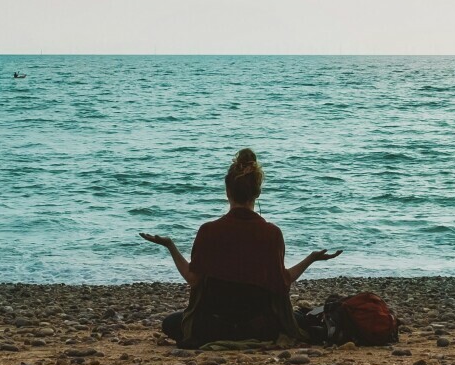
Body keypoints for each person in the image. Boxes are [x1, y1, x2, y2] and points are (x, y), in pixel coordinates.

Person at [140, 148, 341, 348]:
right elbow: (283, 282)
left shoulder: (209, 231)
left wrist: (171, 246)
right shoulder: (272, 233)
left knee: (171, 323)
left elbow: (193, 280)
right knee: (299, 318)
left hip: (214, 326)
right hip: (260, 328)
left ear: (227, 192)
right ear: (258, 192)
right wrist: (310, 259)